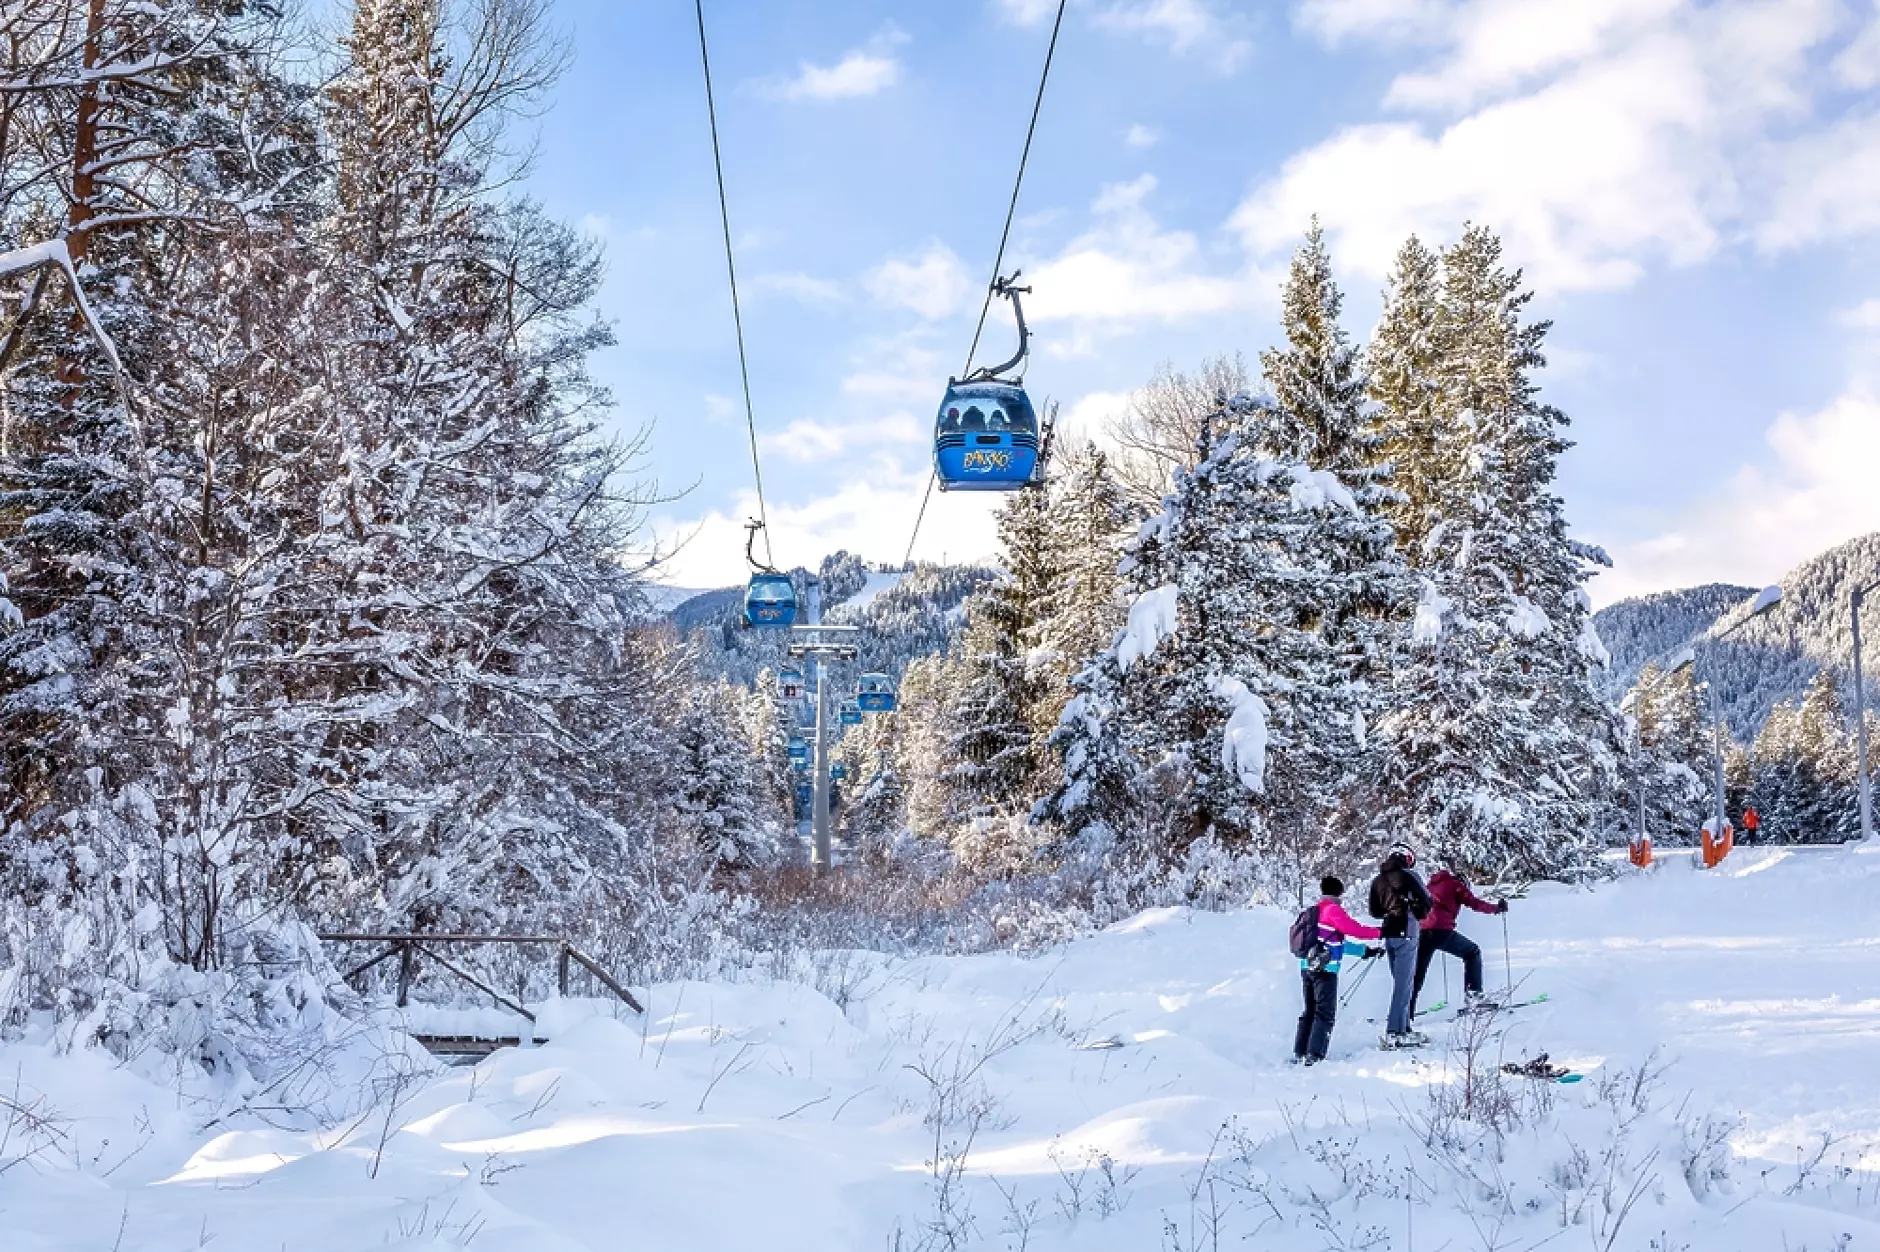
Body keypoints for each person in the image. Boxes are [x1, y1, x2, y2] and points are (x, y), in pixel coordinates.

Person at [1294, 875, 1382, 1066]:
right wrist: (1381, 932)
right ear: (1339, 892)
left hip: (1306, 966)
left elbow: (1338, 942)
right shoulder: (1333, 910)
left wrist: (1365, 951)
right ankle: (1315, 1056)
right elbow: (1355, 930)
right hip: (1326, 970)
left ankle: (1300, 1052)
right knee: (1324, 1013)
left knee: (1309, 1011)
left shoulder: (1315, 911)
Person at [1412, 864, 1507, 1015]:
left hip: (1422, 931)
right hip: (1441, 930)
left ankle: (1404, 1012)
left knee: (1417, 973)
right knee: (1472, 952)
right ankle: (1474, 998)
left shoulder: (1430, 886)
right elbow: (1474, 903)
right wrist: (1496, 909)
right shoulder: (1456, 885)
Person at [1367, 843, 1433, 1049]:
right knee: (1404, 985)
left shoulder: (1378, 880)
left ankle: (1403, 1028)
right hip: (1407, 932)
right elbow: (1427, 901)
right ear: (1407, 858)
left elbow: (1374, 911)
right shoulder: (1409, 876)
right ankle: (1395, 1032)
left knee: (1401, 983)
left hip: (1389, 933)